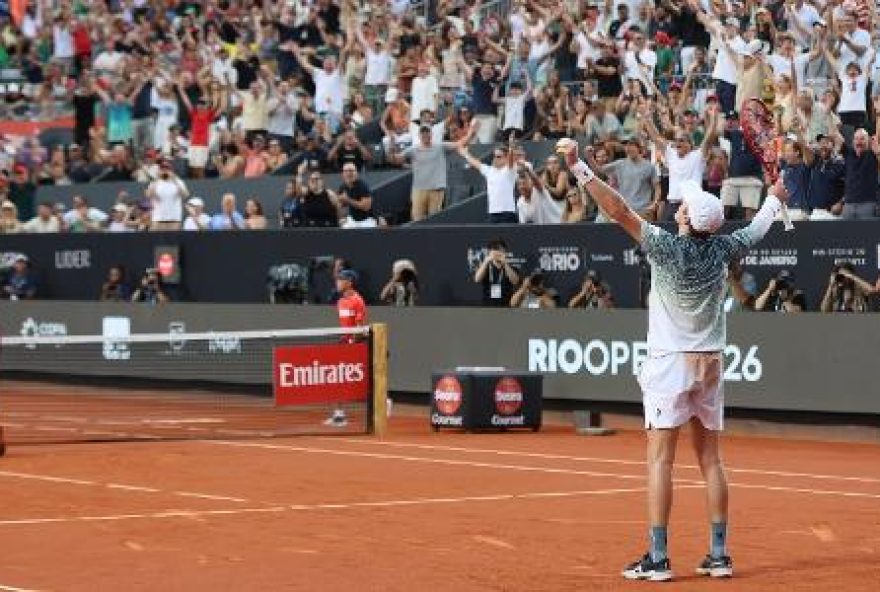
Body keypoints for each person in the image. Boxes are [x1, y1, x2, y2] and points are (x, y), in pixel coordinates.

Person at [555, 137, 792, 582]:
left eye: (682, 207)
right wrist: (775, 198)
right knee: (711, 460)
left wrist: (579, 167)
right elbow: (759, 226)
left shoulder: (665, 246)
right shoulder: (725, 248)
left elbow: (619, 211)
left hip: (671, 364)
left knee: (660, 460)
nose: (678, 209)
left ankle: (659, 558)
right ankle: (719, 555)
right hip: (711, 365)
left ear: (685, 218)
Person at [326, 268, 367, 427]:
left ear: (349, 283)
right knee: (337, 379)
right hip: (344, 343)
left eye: (340, 280)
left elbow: (358, 326)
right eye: (337, 279)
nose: (337, 283)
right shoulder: (340, 301)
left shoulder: (358, 301)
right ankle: (339, 415)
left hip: (355, 345)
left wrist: (353, 342)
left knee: (360, 381)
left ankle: (384, 402)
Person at [458, 136, 519, 223]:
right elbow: (475, 163)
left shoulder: (510, 170)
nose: (495, 159)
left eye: (499, 157)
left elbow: (511, 161)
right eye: (494, 156)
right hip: (492, 214)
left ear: (505, 158)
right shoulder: (489, 171)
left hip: (508, 214)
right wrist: (464, 154)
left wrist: (511, 148)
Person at [473, 239, 520, 307]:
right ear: (489, 252)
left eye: (500, 250)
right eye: (495, 250)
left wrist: (505, 264)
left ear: (505, 252)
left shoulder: (512, 268)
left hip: (507, 305)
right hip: (487, 306)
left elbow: (515, 281)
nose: (498, 253)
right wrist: (486, 261)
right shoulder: (485, 267)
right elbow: (477, 279)